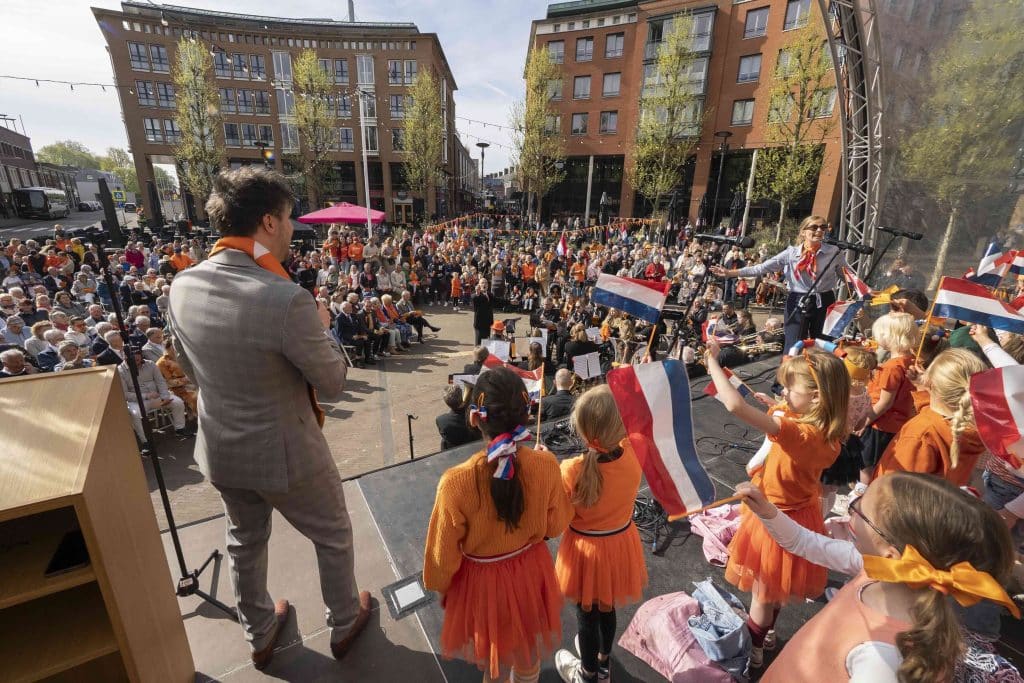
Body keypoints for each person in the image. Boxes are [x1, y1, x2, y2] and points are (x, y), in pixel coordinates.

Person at [166, 167, 370, 670]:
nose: (293, 228)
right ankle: (345, 621)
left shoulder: (182, 285)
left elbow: (187, 368)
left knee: (243, 540)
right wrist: (324, 328)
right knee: (333, 533)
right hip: (288, 453)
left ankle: (259, 633)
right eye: (289, 217)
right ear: (268, 222)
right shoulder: (285, 298)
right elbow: (333, 382)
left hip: (221, 448)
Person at [735, 473, 1019, 682]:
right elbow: (803, 542)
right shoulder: (879, 569)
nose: (852, 506)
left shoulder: (884, 659)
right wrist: (767, 511)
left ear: (892, 553)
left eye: (859, 509)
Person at [705, 337, 849, 669]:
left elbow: (735, 407)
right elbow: (796, 429)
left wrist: (712, 362)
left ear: (816, 396)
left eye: (789, 389)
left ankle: (754, 650)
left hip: (773, 519)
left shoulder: (799, 434)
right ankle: (768, 632)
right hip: (802, 514)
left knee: (761, 594)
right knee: (779, 585)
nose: (783, 393)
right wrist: (777, 405)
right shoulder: (826, 431)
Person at [423, 368, 573, 683]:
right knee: (528, 655)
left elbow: (441, 559)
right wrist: (546, 467)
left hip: (483, 585)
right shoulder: (546, 465)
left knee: (495, 662)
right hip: (531, 574)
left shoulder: (454, 483)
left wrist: (443, 587)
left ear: (474, 418)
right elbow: (556, 525)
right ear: (526, 414)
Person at [553, 386, 647, 683]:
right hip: (619, 545)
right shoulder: (636, 450)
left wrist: (546, 468)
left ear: (581, 429)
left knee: (586, 616)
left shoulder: (571, 469)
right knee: (607, 608)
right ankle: (603, 664)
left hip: (585, 552)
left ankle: (587, 674)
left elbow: (557, 519)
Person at [710, 216, 849, 353]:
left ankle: (820, 368)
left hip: (824, 300)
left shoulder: (834, 252)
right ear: (803, 232)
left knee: (823, 345)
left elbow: (847, 276)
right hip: (798, 300)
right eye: (814, 227)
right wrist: (730, 272)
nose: (819, 230)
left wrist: (858, 295)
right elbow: (761, 268)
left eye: (823, 227)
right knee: (793, 345)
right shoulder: (791, 253)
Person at [874, 349, 988, 486]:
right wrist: (922, 389)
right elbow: (939, 416)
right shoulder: (974, 426)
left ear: (931, 383)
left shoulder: (922, 433)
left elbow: (895, 487)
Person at [857, 313, 919, 490]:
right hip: (898, 422)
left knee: (866, 464)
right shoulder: (912, 360)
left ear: (889, 337)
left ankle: (862, 494)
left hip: (880, 424)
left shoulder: (892, 367)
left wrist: (864, 421)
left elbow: (885, 402)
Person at [118, 342, 190, 443]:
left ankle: (180, 429)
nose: (136, 358)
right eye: (132, 357)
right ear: (125, 357)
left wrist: (165, 396)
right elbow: (125, 394)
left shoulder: (150, 364)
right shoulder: (120, 371)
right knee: (135, 414)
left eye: (138, 355)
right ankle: (145, 441)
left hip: (157, 396)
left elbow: (160, 381)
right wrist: (146, 396)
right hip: (137, 401)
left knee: (178, 402)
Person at [156, 338, 198, 414]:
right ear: (168, 348)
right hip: (177, 389)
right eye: (174, 346)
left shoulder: (183, 356)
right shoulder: (161, 363)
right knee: (196, 397)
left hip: (192, 382)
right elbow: (167, 382)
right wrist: (185, 380)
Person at [435, 384, 479, 450]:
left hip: (454, 451)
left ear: (446, 403)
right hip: (474, 448)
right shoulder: (474, 415)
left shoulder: (441, 420)